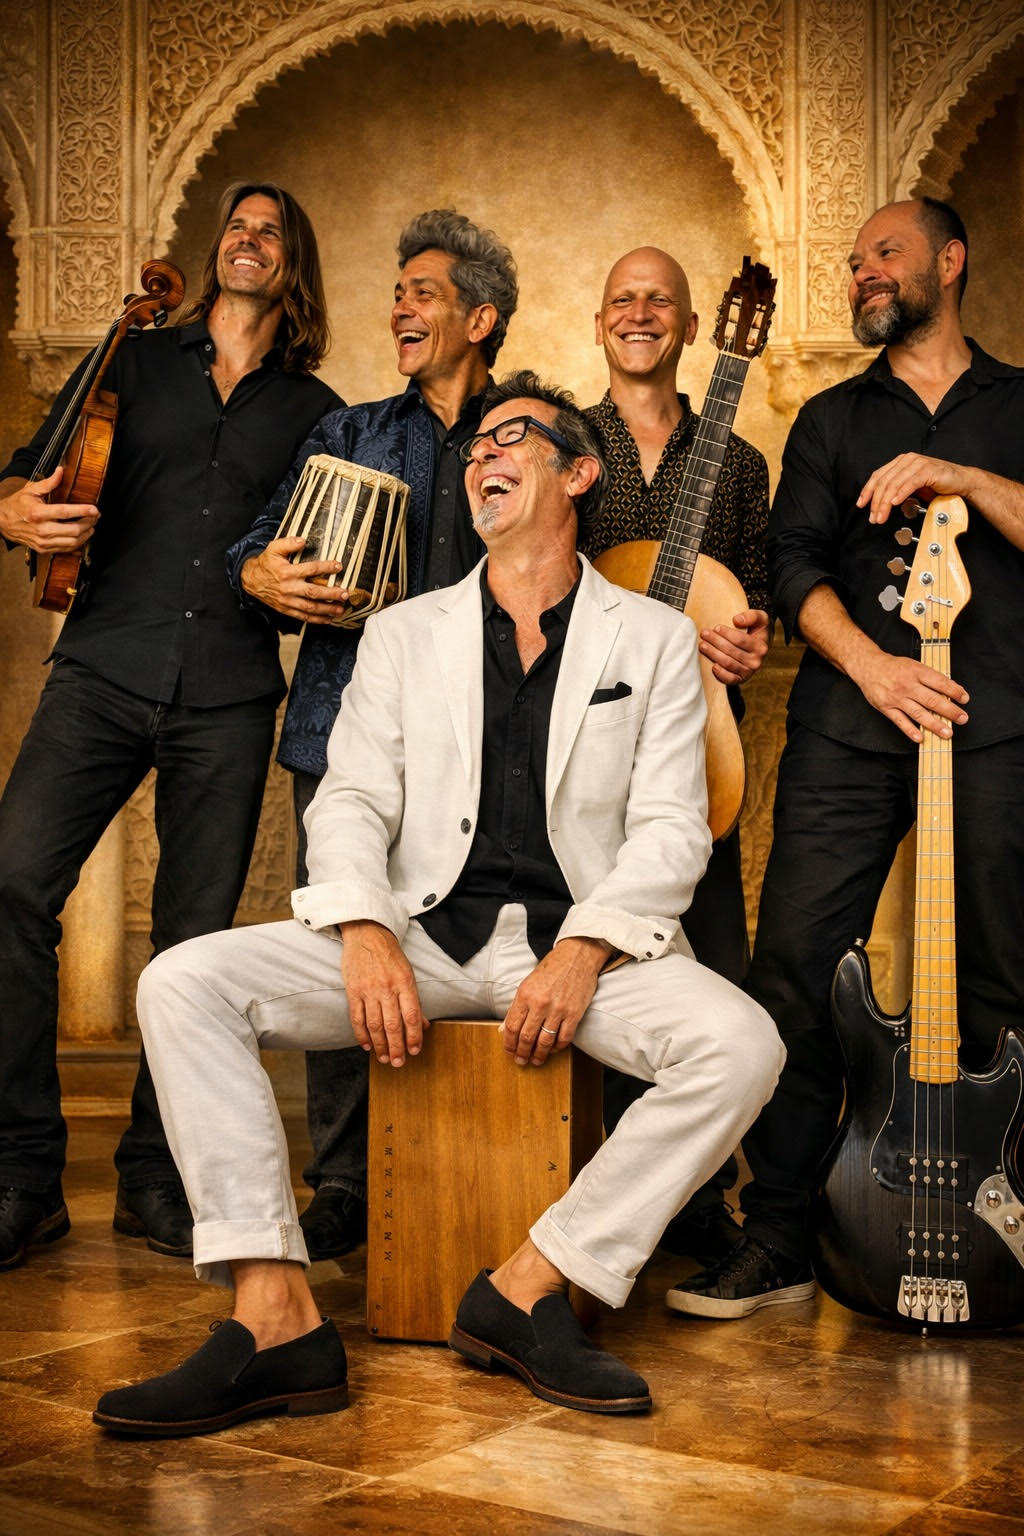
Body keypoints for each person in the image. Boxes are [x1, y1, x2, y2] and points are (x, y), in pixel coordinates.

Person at [92, 371, 784, 1436]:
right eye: (475, 448)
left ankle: (529, 1286)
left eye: (511, 438)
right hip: (420, 936)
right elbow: (352, 801)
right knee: (182, 982)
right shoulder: (403, 633)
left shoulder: (650, 638)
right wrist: (366, 931)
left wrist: (585, 950)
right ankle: (275, 1315)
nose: (481, 457)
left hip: (577, 950)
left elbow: (672, 829)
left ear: (578, 473)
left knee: (743, 1046)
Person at [668, 196, 1024, 1319]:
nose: (864, 271)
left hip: (999, 729)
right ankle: (777, 1232)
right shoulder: (829, 420)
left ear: (949, 262)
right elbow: (790, 566)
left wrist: (965, 479)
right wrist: (874, 670)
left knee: (1005, 972)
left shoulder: (1018, 405)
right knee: (794, 972)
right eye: (856, 259)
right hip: (847, 730)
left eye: (886, 253)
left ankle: (998, 1226)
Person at [0, 180, 340, 1270]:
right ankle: (21, 1176)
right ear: (215, 251)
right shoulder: (131, 360)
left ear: (292, 265)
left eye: (269, 232)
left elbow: (324, 553)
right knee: (10, 888)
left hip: (230, 697)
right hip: (102, 666)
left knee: (191, 945)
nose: (247, 240)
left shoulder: (318, 412)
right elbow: (28, 473)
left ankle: (154, 1177)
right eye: (236, 226)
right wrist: (9, 509)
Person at [228, 210, 518, 1262]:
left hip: (487, 746)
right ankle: (346, 1181)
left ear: (479, 318)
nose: (400, 306)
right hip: (343, 738)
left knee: (480, 943)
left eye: (423, 292)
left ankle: (482, 1169)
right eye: (396, 292)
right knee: (348, 943)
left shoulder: (529, 434)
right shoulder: (347, 433)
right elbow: (258, 548)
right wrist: (262, 575)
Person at [582, 247, 771, 1263]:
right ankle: (588, 1187)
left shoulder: (737, 464)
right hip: (587, 752)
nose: (640, 313)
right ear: (599, 322)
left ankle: (695, 1201)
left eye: (660, 300)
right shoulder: (567, 444)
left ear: (700, 328)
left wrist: (747, 637)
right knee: (593, 965)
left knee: (714, 974)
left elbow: (758, 596)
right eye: (624, 298)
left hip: (699, 755)